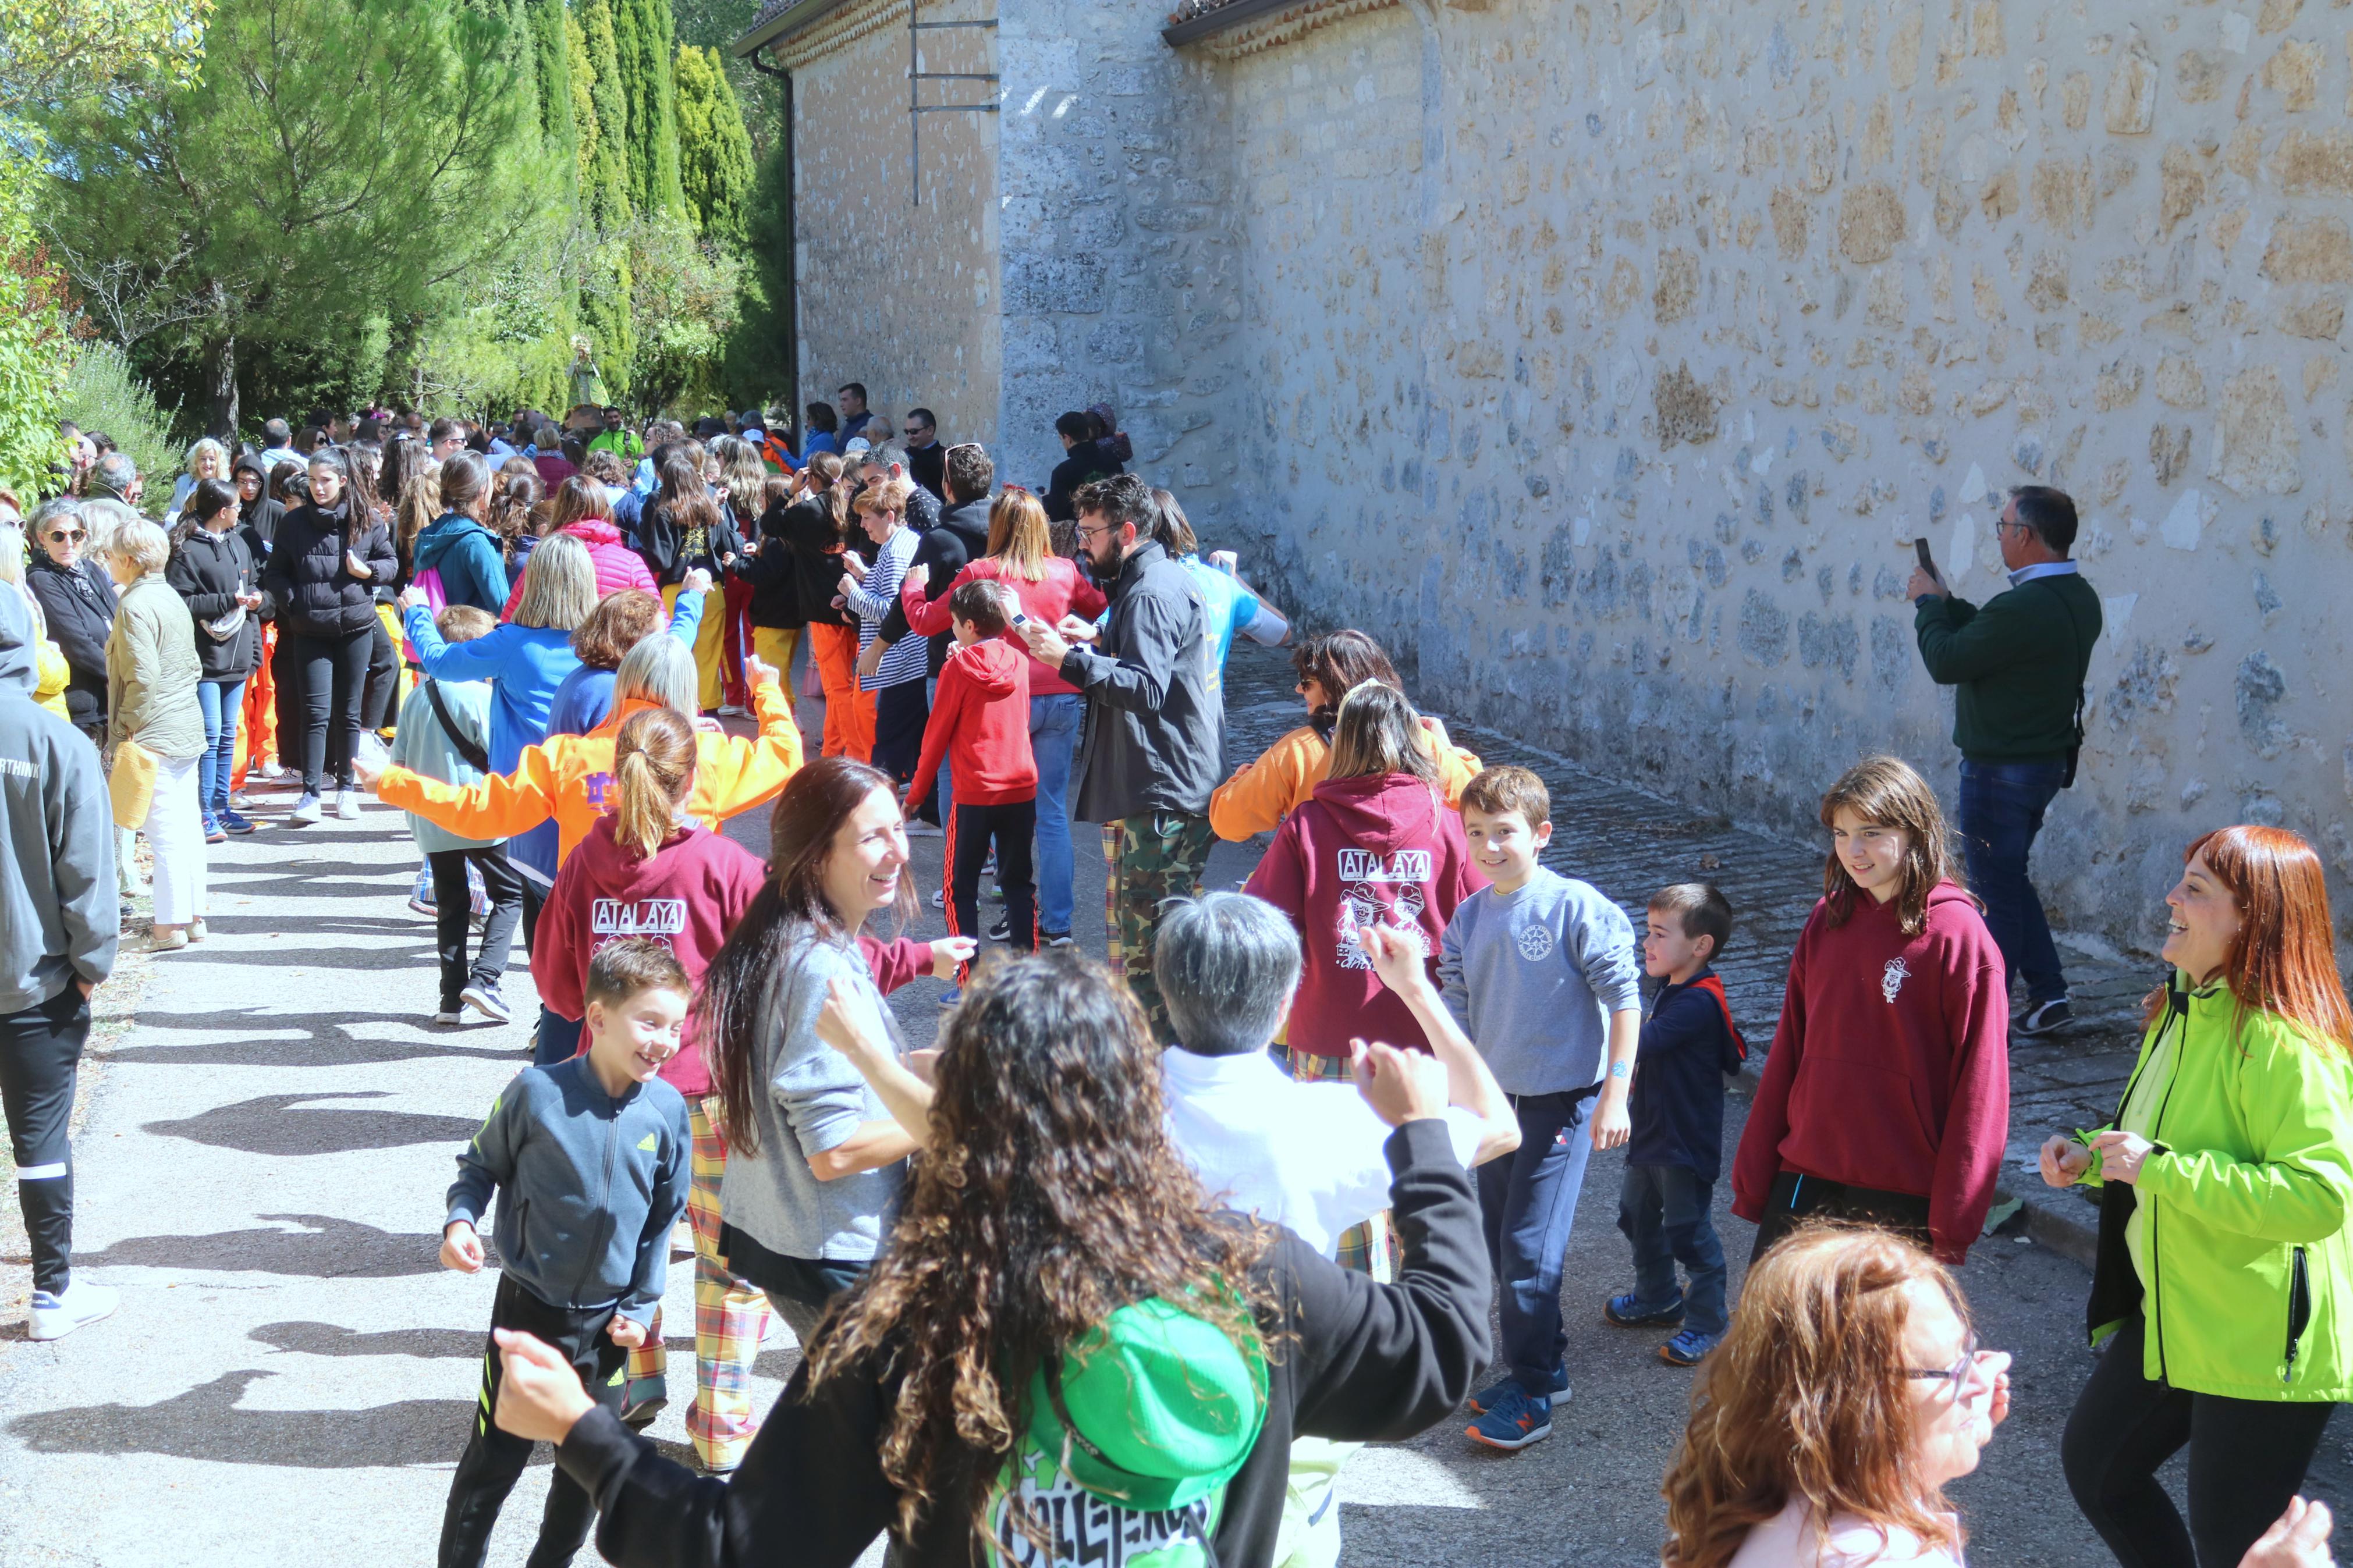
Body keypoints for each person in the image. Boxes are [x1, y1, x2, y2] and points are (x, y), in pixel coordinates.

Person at [491, 942, 1495, 1567]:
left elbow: (737, 1547)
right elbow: (1444, 1347)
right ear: (1138, 1105)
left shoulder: (912, 1318)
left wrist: (586, 1433)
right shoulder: (1251, 1275)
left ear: (961, 1117)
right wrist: (1424, 1142)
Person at [1156, 891, 1513, 1568]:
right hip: (1286, 1413)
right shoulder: (1323, 1120)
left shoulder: (1105, 1108)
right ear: (1288, 998)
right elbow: (1497, 1124)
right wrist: (1415, 990)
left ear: (1168, 987)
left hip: (1135, 1401)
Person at [2046, 825, 2353, 1568]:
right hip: (2180, 1310)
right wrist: (2092, 1158)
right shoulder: (2180, 1008)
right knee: (2098, 1470)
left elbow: (2319, 1198)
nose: (2169, 898)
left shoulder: (2289, 1044)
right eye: (2180, 881)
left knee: (2235, 1546)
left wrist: (2160, 1169)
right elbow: (2155, 1140)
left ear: (2249, 918)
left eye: (2194, 889)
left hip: (2258, 1338)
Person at [532, 706, 772, 1470]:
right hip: (707, 1092)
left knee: (623, 1247)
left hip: (605, 1099)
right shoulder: (724, 865)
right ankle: (720, 1429)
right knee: (730, 1265)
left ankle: (635, 1379)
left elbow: (558, 985)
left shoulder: (583, 863)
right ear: (692, 779)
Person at [438, 937, 690, 1568]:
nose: (664, 1040)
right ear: (599, 1017)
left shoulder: (667, 1110)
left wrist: (642, 1301)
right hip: (527, 1315)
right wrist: (459, 1221)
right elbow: (478, 1166)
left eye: (675, 1026)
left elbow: (663, 1219)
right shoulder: (535, 1092)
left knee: (582, 1475)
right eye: (649, 1022)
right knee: (493, 1463)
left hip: (608, 1330)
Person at [1426, 763, 1637, 1448]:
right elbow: (1455, 1006)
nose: (1489, 846)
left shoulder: (1575, 906)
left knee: (1525, 1250)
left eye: (1505, 832)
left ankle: (1535, 1390)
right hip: (1493, 1104)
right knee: (1498, 1239)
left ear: (1541, 834)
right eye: (1476, 832)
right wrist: (1449, 1087)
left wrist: (1615, 1091)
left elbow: (1624, 1000)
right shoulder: (1468, 914)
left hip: (1561, 1103)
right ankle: (1545, 1359)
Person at [1730, 756, 2010, 1267]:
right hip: (1805, 1171)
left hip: (1900, 1188)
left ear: (1915, 831)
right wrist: (1756, 1170)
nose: (1852, 851)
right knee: (1774, 1337)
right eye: (1841, 833)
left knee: (1868, 1344)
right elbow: (1791, 1048)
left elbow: (1981, 1084)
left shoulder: (1958, 937)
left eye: (1871, 832)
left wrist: (1954, 1215)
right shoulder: (1826, 920)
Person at [694, 757, 921, 1337]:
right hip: (830, 1249)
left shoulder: (798, 929)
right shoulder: (818, 963)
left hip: (791, 1231)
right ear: (819, 854)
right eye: (873, 837)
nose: (900, 851)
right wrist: (957, 1120)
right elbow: (834, 1150)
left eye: (899, 828)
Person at [1659, 1228, 2013, 1568]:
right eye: (1952, 1370)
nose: (1982, 1380)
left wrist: (1960, 1430)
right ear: (1854, 1406)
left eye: (1969, 1351)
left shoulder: (1748, 1496)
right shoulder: (1883, 1559)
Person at [1018, 473, 1222, 1037]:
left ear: (1126, 531)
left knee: (1149, 955)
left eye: (1090, 532)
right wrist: (1092, 644)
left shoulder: (1153, 591)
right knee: (1151, 946)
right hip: (1157, 786)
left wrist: (1067, 659)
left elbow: (1145, 688)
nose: (1082, 542)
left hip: (1159, 792)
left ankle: (1160, 1078)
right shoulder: (1149, 582)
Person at [1909, 483, 2103, 1037]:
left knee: (1994, 890)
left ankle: (1983, 1015)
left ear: (2028, 536)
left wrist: (1927, 606)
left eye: (2002, 526)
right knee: (2009, 878)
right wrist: (1948, 605)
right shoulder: (2075, 596)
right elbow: (1994, 637)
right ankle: (2049, 994)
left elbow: (1948, 660)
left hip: (2000, 767)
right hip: (2040, 762)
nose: (1998, 536)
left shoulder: (2024, 605)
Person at [897, 486, 1104, 946]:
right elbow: (1101, 612)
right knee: (1049, 811)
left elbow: (928, 620)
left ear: (997, 527)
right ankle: (1055, 921)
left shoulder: (982, 571)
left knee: (982, 798)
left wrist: (911, 586)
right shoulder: (1065, 570)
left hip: (1003, 698)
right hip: (1061, 693)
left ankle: (989, 890)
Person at [0, 586, 120, 1341]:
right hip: (36, 979)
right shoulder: (57, 743)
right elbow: (89, 874)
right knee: (41, 1135)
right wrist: (91, 965)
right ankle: (52, 1291)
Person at [400, 531, 594, 941]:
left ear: (534, 580)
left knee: (538, 903)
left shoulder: (511, 641)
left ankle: (551, 1002)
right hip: (585, 788)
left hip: (526, 794)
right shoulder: (601, 646)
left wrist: (418, 613)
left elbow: (439, 662)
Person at [1609, 881, 1744, 1368]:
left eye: (1659, 933)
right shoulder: (1672, 986)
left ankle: (1708, 1321)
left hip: (1683, 1143)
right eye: (1648, 931)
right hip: (1652, 1134)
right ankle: (1658, 1297)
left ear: (1700, 945)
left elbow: (1637, 1044)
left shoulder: (1698, 1002)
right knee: (1636, 1215)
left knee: (1687, 1230)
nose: (1645, 943)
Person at [386, 604, 525, 1027]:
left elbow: (401, 760)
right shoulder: (486, 697)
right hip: (483, 813)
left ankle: (451, 1000)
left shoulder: (416, 697)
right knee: (510, 893)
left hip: (433, 819)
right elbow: (503, 757)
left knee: (451, 904)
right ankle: (486, 979)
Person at [1211, 629, 1484, 843]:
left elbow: (1229, 823)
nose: (1298, 689)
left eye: (1307, 682)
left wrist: (1242, 777)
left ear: (1333, 686)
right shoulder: (1421, 741)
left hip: (1325, 889)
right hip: (1408, 893)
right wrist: (1449, 750)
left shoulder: (1297, 750)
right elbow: (1476, 801)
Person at [903, 582, 1037, 987]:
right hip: (1019, 787)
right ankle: (1028, 976)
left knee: (958, 887)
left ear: (969, 625)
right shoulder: (1020, 659)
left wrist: (914, 797)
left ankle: (968, 978)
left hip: (974, 793)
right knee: (1017, 883)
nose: (952, 631)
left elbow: (935, 738)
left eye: (956, 625)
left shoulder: (956, 668)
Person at [260, 446, 398, 824]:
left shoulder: (366, 519)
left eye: (325, 480)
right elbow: (275, 574)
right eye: (313, 480)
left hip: (356, 628)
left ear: (341, 480)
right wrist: (296, 603)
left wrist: (366, 571)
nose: (318, 488)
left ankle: (345, 790)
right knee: (315, 712)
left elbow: (391, 565)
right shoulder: (293, 523)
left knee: (349, 713)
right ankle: (310, 794)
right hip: (309, 631)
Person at [102, 513, 209, 952]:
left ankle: (167, 929)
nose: (106, 562)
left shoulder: (133, 604)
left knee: (163, 831)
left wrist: (127, 725)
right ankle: (193, 916)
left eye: (109, 555)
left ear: (128, 560)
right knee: (186, 828)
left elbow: (142, 677)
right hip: (184, 723)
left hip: (154, 732)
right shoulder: (167, 595)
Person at [164, 477, 265, 840]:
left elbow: (253, 588)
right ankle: (203, 811)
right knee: (208, 734)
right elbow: (179, 602)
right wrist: (228, 600)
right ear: (222, 512)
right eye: (236, 506)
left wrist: (257, 600)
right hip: (205, 659)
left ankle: (222, 806)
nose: (241, 511)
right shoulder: (186, 549)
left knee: (226, 735)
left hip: (237, 655)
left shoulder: (238, 542)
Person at [1152, 490, 1291, 699]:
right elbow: (1280, 633)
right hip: (1208, 714)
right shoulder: (1221, 583)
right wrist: (1234, 580)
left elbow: (1101, 638)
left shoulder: (1144, 584)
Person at [843, 477, 929, 809]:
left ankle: (879, 810)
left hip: (900, 664)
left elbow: (892, 611)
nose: (863, 526)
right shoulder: (900, 544)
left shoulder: (896, 551)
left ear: (890, 516)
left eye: (868, 518)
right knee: (907, 742)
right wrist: (864, 577)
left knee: (889, 745)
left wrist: (853, 594)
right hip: (905, 663)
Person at [637, 455, 740, 717]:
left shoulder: (665, 512)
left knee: (678, 651)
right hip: (711, 586)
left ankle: (680, 708)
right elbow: (724, 547)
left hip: (677, 588)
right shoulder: (711, 508)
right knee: (708, 654)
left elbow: (662, 558)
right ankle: (709, 709)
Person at [23, 498, 118, 744]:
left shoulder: (90, 569)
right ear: (42, 538)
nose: (69, 543)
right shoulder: (42, 579)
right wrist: (124, 673)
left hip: (111, 698)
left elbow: (118, 619)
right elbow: (77, 644)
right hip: (81, 706)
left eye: (76, 535)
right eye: (58, 536)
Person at [410, 451, 510, 614]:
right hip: (472, 636)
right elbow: (503, 608)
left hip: (435, 634)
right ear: (482, 489)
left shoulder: (429, 533)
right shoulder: (476, 542)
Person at [1042, 408, 1126, 523]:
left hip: (1085, 536)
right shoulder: (1113, 460)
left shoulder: (1062, 472)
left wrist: (1048, 499)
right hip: (1114, 529)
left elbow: (1057, 516)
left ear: (1068, 438)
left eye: (1061, 438)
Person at [166, 438, 228, 522]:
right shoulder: (183, 482)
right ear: (195, 461)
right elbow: (173, 511)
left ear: (219, 462)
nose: (207, 463)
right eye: (203, 459)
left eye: (212, 459)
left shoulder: (226, 485)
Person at [899, 407, 944, 501]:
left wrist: (909, 449)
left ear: (930, 431)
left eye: (914, 432)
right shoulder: (907, 453)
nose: (909, 437)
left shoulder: (943, 455)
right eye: (907, 432)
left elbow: (930, 467)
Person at [834, 381, 876, 445]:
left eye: (845, 400)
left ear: (858, 401)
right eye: (841, 400)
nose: (841, 405)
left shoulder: (870, 425)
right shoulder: (850, 423)